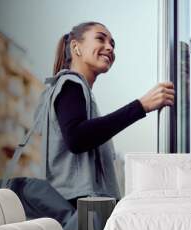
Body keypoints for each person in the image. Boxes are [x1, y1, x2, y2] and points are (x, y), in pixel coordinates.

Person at [37, 21, 175, 209]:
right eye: (100, 39)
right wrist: (141, 106)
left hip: (78, 205)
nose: (109, 47)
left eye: (112, 44)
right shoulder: (71, 84)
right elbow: (77, 138)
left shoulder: (75, 90)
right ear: (76, 47)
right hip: (79, 208)